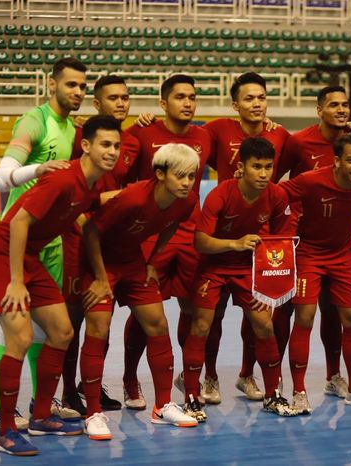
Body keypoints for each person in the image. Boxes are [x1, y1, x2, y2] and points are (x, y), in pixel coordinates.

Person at [0, 115, 121, 456]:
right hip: (2, 253)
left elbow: (95, 207)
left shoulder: (92, 184)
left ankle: (41, 416)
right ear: (85, 146)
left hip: (31, 257)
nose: (112, 151)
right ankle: (6, 430)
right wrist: (15, 281)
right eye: (105, 144)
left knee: (62, 331)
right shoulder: (63, 179)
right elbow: (19, 223)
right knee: (21, 337)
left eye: (117, 145)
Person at [0, 57, 88, 431]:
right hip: (17, 236)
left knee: (49, 330)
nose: (77, 92)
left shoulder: (71, 129)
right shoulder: (35, 121)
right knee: (13, 328)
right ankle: (2, 408)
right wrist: (36, 169)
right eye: (70, 85)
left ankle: (38, 406)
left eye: (82, 87)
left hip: (50, 242)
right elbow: (0, 177)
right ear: (52, 85)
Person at [79, 143, 200, 440]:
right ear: (160, 174)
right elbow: (89, 229)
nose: (187, 183)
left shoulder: (186, 200)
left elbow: (171, 225)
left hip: (133, 261)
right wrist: (98, 277)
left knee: (158, 323)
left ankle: (162, 407)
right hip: (98, 261)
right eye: (181, 176)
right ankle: (93, 412)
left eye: (192, 176)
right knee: (99, 326)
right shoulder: (132, 199)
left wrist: (152, 261)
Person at [182, 137, 295, 421]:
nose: (263, 173)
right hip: (214, 267)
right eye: (256, 167)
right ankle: (192, 398)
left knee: (264, 325)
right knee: (201, 326)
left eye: (268, 167)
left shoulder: (278, 196)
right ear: (241, 167)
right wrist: (234, 244)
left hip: (250, 271)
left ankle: (273, 395)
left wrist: (274, 279)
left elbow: (279, 242)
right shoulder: (221, 194)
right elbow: (200, 241)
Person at [123, 74, 215, 408]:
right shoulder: (141, 132)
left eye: (192, 97)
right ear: (163, 104)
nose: (188, 103)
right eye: (180, 97)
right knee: (146, 312)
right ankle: (130, 380)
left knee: (194, 308)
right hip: (150, 238)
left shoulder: (206, 135)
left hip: (192, 237)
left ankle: (188, 379)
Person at [200, 72, 291, 402]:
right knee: (214, 316)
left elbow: (308, 156)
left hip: (259, 243)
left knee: (259, 316)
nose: (257, 103)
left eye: (262, 97)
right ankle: (208, 377)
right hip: (221, 237)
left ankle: (246, 374)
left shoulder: (280, 135)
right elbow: (189, 144)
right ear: (235, 104)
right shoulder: (217, 130)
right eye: (249, 98)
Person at [280, 133, 351, 414]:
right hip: (309, 255)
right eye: (350, 160)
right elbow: (275, 196)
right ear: (336, 160)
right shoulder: (311, 180)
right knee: (305, 316)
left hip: (343, 255)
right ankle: (299, 391)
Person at [60, 75, 140, 415]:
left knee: (100, 321)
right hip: (76, 241)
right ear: (96, 104)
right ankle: (66, 393)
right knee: (73, 321)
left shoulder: (132, 141)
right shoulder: (80, 137)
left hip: (109, 244)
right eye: (113, 98)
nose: (121, 103)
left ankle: (88, 384)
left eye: (125, 97)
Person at [273, 85, 351, 401]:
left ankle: (334, 376)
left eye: (345, 105)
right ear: (320, 110)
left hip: (338, 243)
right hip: (300, 242)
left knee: (333, 312)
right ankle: (276, 377)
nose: (341, 110)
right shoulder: (299, 142)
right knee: (288, 311)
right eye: (334, 105)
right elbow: (275, 182)